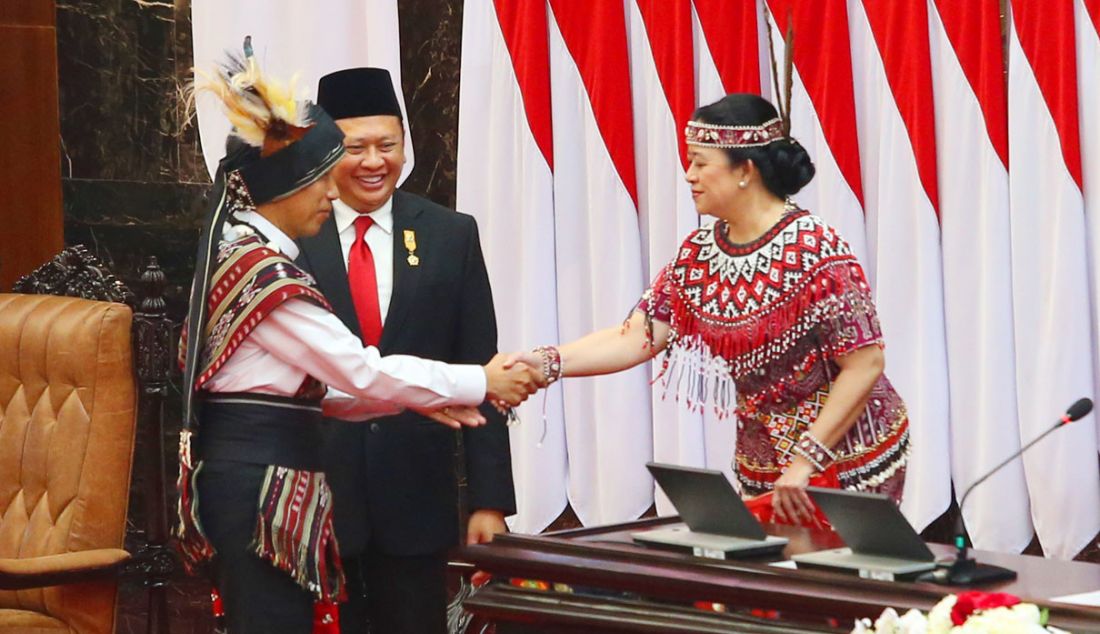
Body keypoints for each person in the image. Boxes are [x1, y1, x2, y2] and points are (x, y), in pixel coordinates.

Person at [176, 46, 539, 634]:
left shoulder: (251, 254)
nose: (332, 191)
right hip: (269, 493)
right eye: (325, 174)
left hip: (374, 503)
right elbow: (357, 371)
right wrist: (480, 381)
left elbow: (321, 393)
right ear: (289, 184)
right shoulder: (265, 274)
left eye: (386, 146)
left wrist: (432, 400)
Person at [509, 93, 910, 526]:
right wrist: (548, 363)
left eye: (701, 163)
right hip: (765, 462)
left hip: (847, 458)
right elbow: (636, 336)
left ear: (745, 171)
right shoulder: (700, 255)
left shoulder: (816, 250)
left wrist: (807, 459)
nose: (689, 176)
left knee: (830, 584)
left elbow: (865, 363)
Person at [295, 67, 516, 634]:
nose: (374, 162)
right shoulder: (291, 238)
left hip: (417, 499)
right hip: (316, 498)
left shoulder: (451, 234)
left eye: (387, 145)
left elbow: (480, 367)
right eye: (356, 147)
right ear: (324, 152)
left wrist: (490, 500)